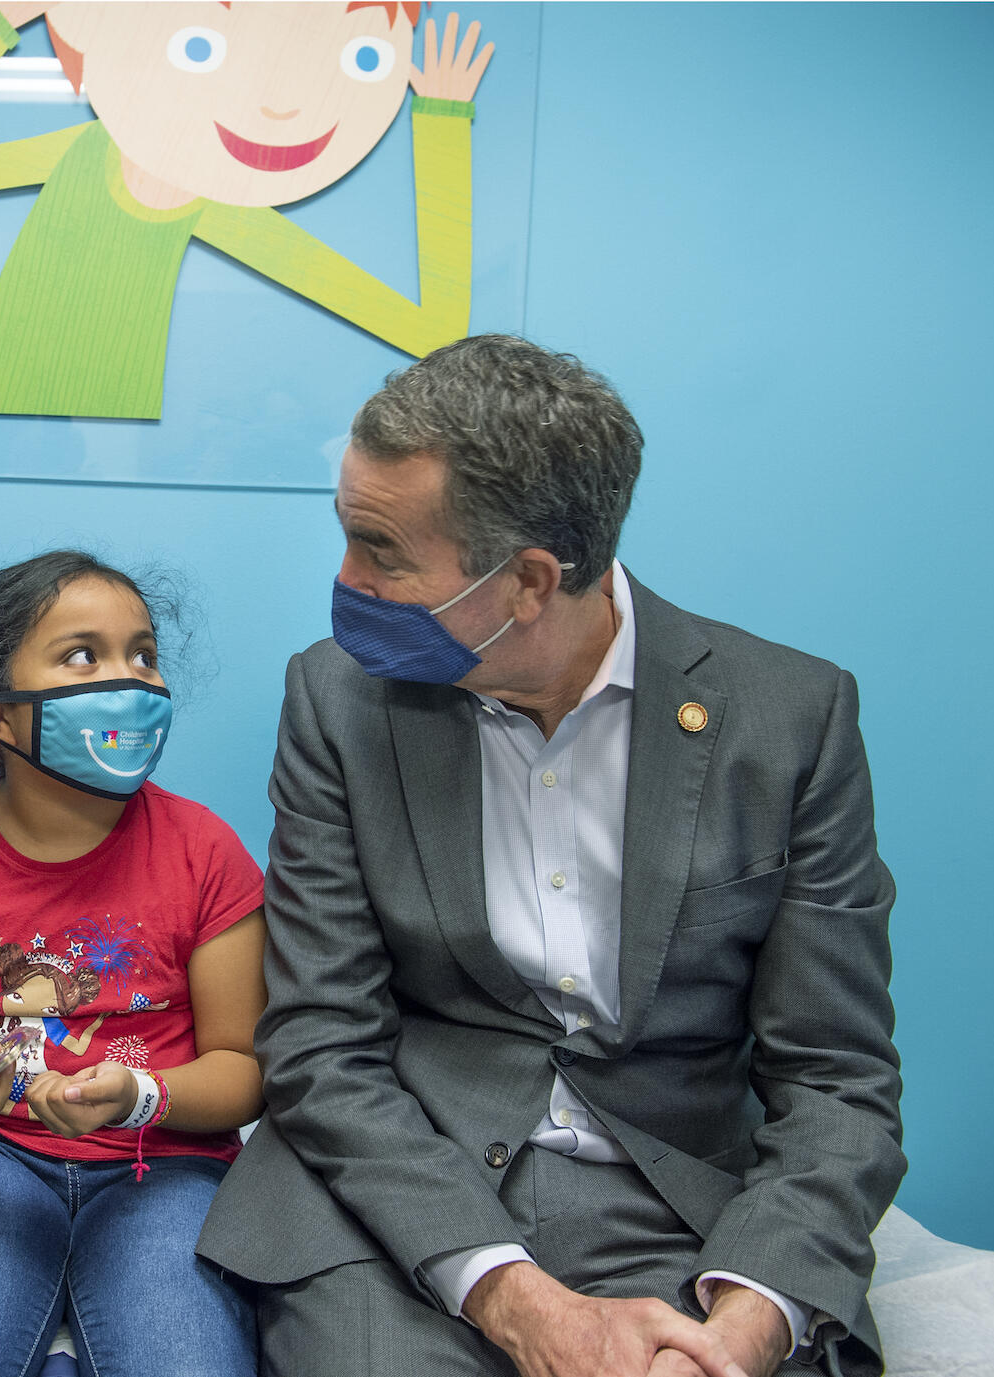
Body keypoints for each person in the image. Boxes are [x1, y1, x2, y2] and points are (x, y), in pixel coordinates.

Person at [197, 335, 905, 1377]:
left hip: (674, 1204)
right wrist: (517, 1302)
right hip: (398, 1196)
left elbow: (835, 1078)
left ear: (528, 580)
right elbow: (321, 1042)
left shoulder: (789, 721)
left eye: (379, 549)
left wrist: (744, 1323)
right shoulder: (340, 700)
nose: (344, 581)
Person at [0, 552, 267, 1377]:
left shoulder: (206, 850)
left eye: (144, 654)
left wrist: (140, 1095)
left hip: (168, 1166)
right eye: (84, 655)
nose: (132, 680)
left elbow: (243, 1070)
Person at [0, 1, 492, 419]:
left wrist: (441, 119)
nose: (280, 108)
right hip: (9, 407)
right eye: (200, 46)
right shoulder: (81, 152)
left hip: (113, 423)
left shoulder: (226, 209)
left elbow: (429, 329)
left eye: (363, 59)